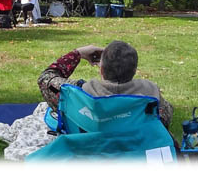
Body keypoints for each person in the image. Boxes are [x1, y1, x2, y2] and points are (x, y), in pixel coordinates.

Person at [38, 39, 173, 128]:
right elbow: (165, 119)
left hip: (89, 152)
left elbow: (45, 78)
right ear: (134, 70)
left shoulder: (76, 93)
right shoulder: (150, 93)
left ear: (101, 69)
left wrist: (78, 53)